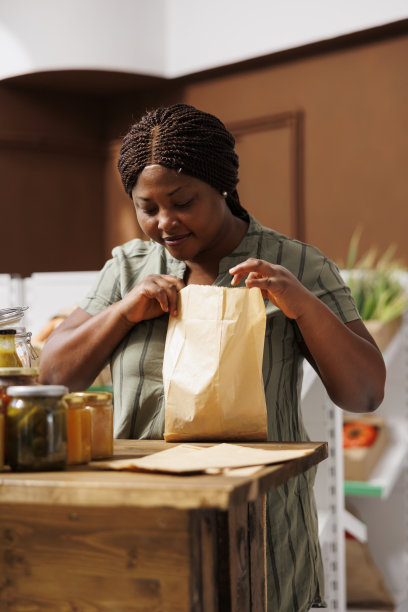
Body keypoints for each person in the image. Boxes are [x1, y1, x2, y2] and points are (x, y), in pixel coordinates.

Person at [40, 103, 386, 611]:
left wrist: (301, 305)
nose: (164, 222)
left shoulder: (298, 265)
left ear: (222, 186)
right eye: (147, 207)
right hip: (143, 517)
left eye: (183, 201)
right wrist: (124, 312)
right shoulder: (128, 267)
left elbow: (365, 392)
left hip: (261, 524)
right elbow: (54, 376)